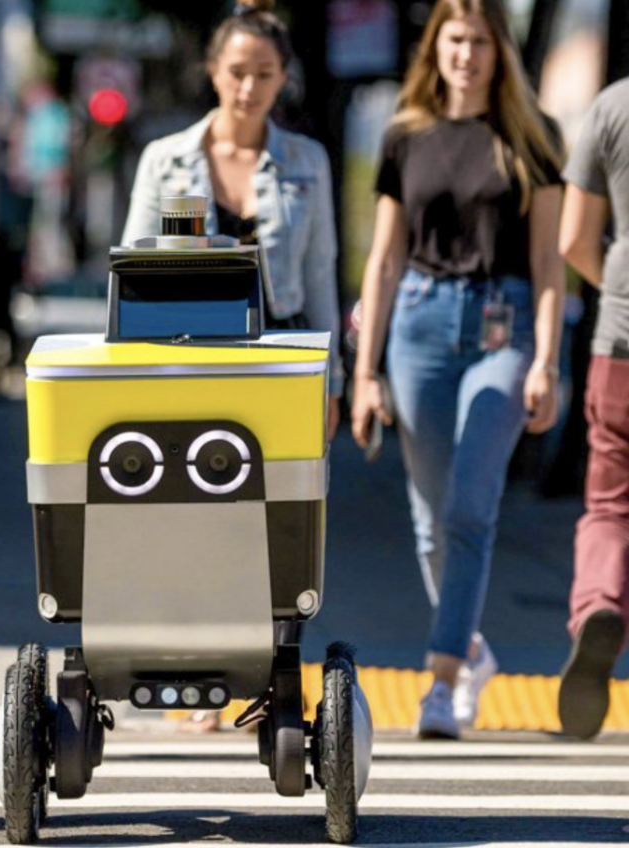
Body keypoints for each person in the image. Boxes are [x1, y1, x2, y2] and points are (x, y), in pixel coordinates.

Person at [350, 0, 565, 739]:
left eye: (479, 41)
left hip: (502, 331)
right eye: (454, 40)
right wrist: (364, 371)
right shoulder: (405, 136)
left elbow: (547, 263)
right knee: (430, 523)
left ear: (498, 52)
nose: (467, 54)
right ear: (434, 49)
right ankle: (472, 648)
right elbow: (381, 261)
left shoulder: (532, 140)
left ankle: (440, 683)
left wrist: (545, 360)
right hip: (416, 324)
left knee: (470, 509)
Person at [122, 0, 344, 438]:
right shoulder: (165, 160)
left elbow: (319, 272)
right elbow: (133, 271)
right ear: (213, 69)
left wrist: (331, 381)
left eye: (264, 74)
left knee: (281, 493)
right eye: (238, 72)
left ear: (283, 77)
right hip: (186, 352)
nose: (249, 88)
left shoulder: (307, 160)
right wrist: (131, 369)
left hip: (284, 351)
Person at [556, 78, 629, 740]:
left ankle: (600, 606)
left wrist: (616, 289)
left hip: (620, 345)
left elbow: (574, 239)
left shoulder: (612, 106)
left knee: (610, 505)